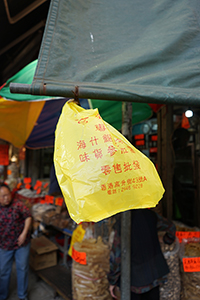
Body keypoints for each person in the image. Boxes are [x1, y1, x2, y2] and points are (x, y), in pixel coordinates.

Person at [108, 208, 176, 300]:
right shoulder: (150, 215)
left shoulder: (121, 225)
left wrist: (112, 281)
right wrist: (167, 240)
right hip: (154, 273)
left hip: (135, 280)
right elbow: (171, 226)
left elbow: (116, 258)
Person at [0, 183, 32, 300]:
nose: (6, 198)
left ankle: (22, 296)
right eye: (2, 196)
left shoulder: (18, 204)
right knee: (3, 271)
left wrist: (24, 233)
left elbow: (28, 216)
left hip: (21, 243)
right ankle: (2, 295)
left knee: (22, 269)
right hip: (4, 245)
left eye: (7, 195)